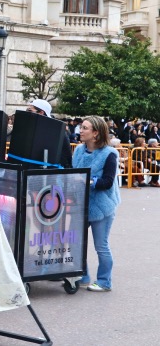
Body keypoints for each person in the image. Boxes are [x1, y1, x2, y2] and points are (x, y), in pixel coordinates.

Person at [73, 116, 121, 292]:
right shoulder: (79, 150)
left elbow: (107, 182)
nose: (80, 131)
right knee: (76, 242)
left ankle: (104, 281)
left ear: (96, 133)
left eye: (85, 128)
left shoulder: (109, 154)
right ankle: (82, 276)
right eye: (81, 127)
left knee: (101, 246)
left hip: (102, 206)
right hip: (81, 204)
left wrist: (89, 181)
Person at [26, 99, 72, 168]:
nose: (27, 113)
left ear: (41, 112)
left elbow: (67, 158)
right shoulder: (31, 130)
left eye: (30, 111)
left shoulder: (58, 132)